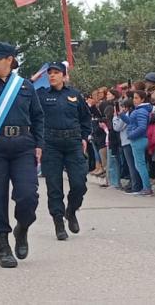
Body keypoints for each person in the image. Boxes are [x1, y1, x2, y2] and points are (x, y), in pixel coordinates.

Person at [0, 42, 44, 268]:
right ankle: (3, 246)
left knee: (28, 196)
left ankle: (22, 228)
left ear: (10, 60)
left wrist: (39, 144)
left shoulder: (25, 86)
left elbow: (38, 116)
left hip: (23, 147)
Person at [37, 61, 92, 240]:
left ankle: (71, 210)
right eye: (50, 73)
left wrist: (84, 137)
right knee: (54, 186)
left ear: (64, 75)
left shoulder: (74, 95)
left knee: (79, 183)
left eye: (56, 72)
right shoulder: (41, 95)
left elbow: (85, 117)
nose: (52, 75)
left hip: (73, 143)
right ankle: (59, 222)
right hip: (51, 144)